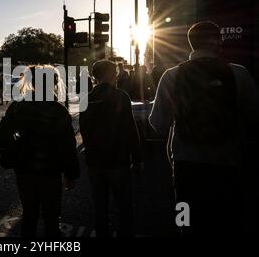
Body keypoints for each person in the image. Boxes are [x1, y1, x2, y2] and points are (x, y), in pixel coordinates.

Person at [149, 21, 259, 235]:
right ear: (216, 42)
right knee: (228, 222)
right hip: (229, 163)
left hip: (186, 166)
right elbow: (254, 118)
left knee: (186, 219)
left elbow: (157, 123)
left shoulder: (171, 76)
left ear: (191, 44)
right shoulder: (239, 74)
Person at [0, 66, 79, 237]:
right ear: (54, 84)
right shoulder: (58, 110)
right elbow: (68, 145)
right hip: (51, 170)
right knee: (51, 215)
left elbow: (3, 134)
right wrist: (71, 174)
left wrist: (15, 146)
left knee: (29, 213)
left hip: (24, 168)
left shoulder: (18, 107)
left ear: (33, 83)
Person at [79, 60, 142, 237]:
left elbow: (84, 130)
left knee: (100, 207)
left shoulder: (87, 99)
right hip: (118, 160)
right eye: (115, 72)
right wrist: (137, 158)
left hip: (95, 162)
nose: (117, 76)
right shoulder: (121, 96)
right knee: (124, 207)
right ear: (108, 75)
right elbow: (130, 129)